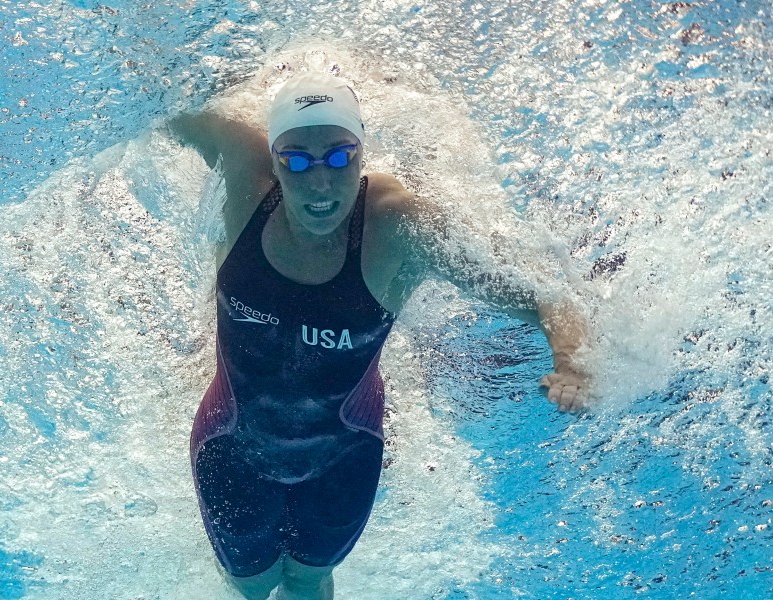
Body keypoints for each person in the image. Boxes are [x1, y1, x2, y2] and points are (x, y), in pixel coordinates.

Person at [167, 72, 589, 600]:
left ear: (362, 153)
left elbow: (545, 296)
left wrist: (570, 360)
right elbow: (155, 108)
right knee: (251, 587)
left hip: (345, 453)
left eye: (339, 157)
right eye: (297, 161)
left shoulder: (399, 228)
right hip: (230, 444)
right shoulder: (245, 182)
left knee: (307, 581)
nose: (320, 183)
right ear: (274, 160)